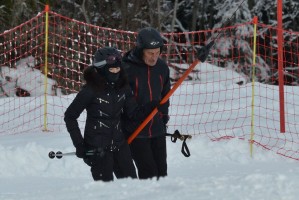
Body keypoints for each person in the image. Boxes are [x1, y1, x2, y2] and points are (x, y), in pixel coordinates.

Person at [64, 47, 158, 182]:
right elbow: (70, 116)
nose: (116, 72)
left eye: (118, 69)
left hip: (120, 145)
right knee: (107, 191)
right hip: (98, 149)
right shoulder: (90, 90)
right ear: (101, 69)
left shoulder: (123, 87)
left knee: (132, 186)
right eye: (112, 70)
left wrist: (152, 106)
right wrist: (80, 146)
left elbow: (133, 113)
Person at [122, 27, 171, 179]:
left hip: (157, 130)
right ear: (140, 49)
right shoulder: (126, 69)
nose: (154, 57)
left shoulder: (162, 68)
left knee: (162, 173)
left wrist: (163, 118)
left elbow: (165, 97)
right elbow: (126, 106)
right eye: (150, 53)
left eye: (157, 52)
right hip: (136, 131)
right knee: (149, 174)